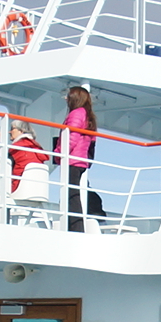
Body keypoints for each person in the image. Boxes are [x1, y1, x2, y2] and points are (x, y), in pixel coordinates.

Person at [58, 86, 98, 232]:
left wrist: (59, 153)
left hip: (72, 159)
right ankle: (75, 225)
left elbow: (71, 137)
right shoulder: (88, 115)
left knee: (71, 194)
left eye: (68, 97)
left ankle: (76, 227)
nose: (66, 99)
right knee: (72, 193)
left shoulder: (76, 114)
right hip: (80, 159)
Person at [8, 120, 50, 192]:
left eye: (12, 129)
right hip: (38, 189)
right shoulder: (36, 148)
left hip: (18, 187)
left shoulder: (16, 147)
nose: (10, 132)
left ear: (21, 131)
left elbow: (6, 169)